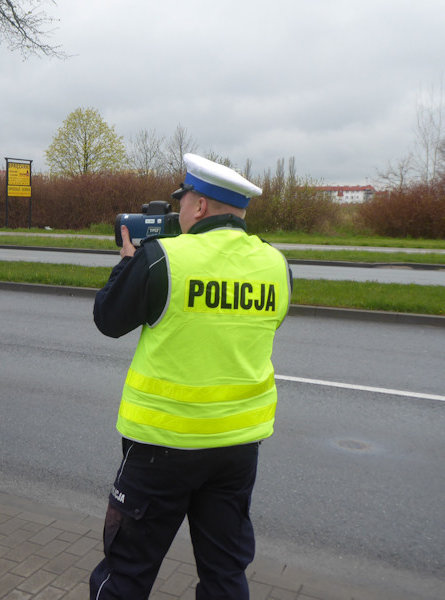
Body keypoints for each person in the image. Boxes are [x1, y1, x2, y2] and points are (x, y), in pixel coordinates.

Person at [89, 153, 293, 600]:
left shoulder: (162, 258)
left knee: (125, 575)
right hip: (237, 449)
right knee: (224, 574)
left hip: (162, 448)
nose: (176, 211)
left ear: (199, 207)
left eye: (182, 202)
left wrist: (127, 261)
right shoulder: (276, 266)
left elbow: (107, 318)